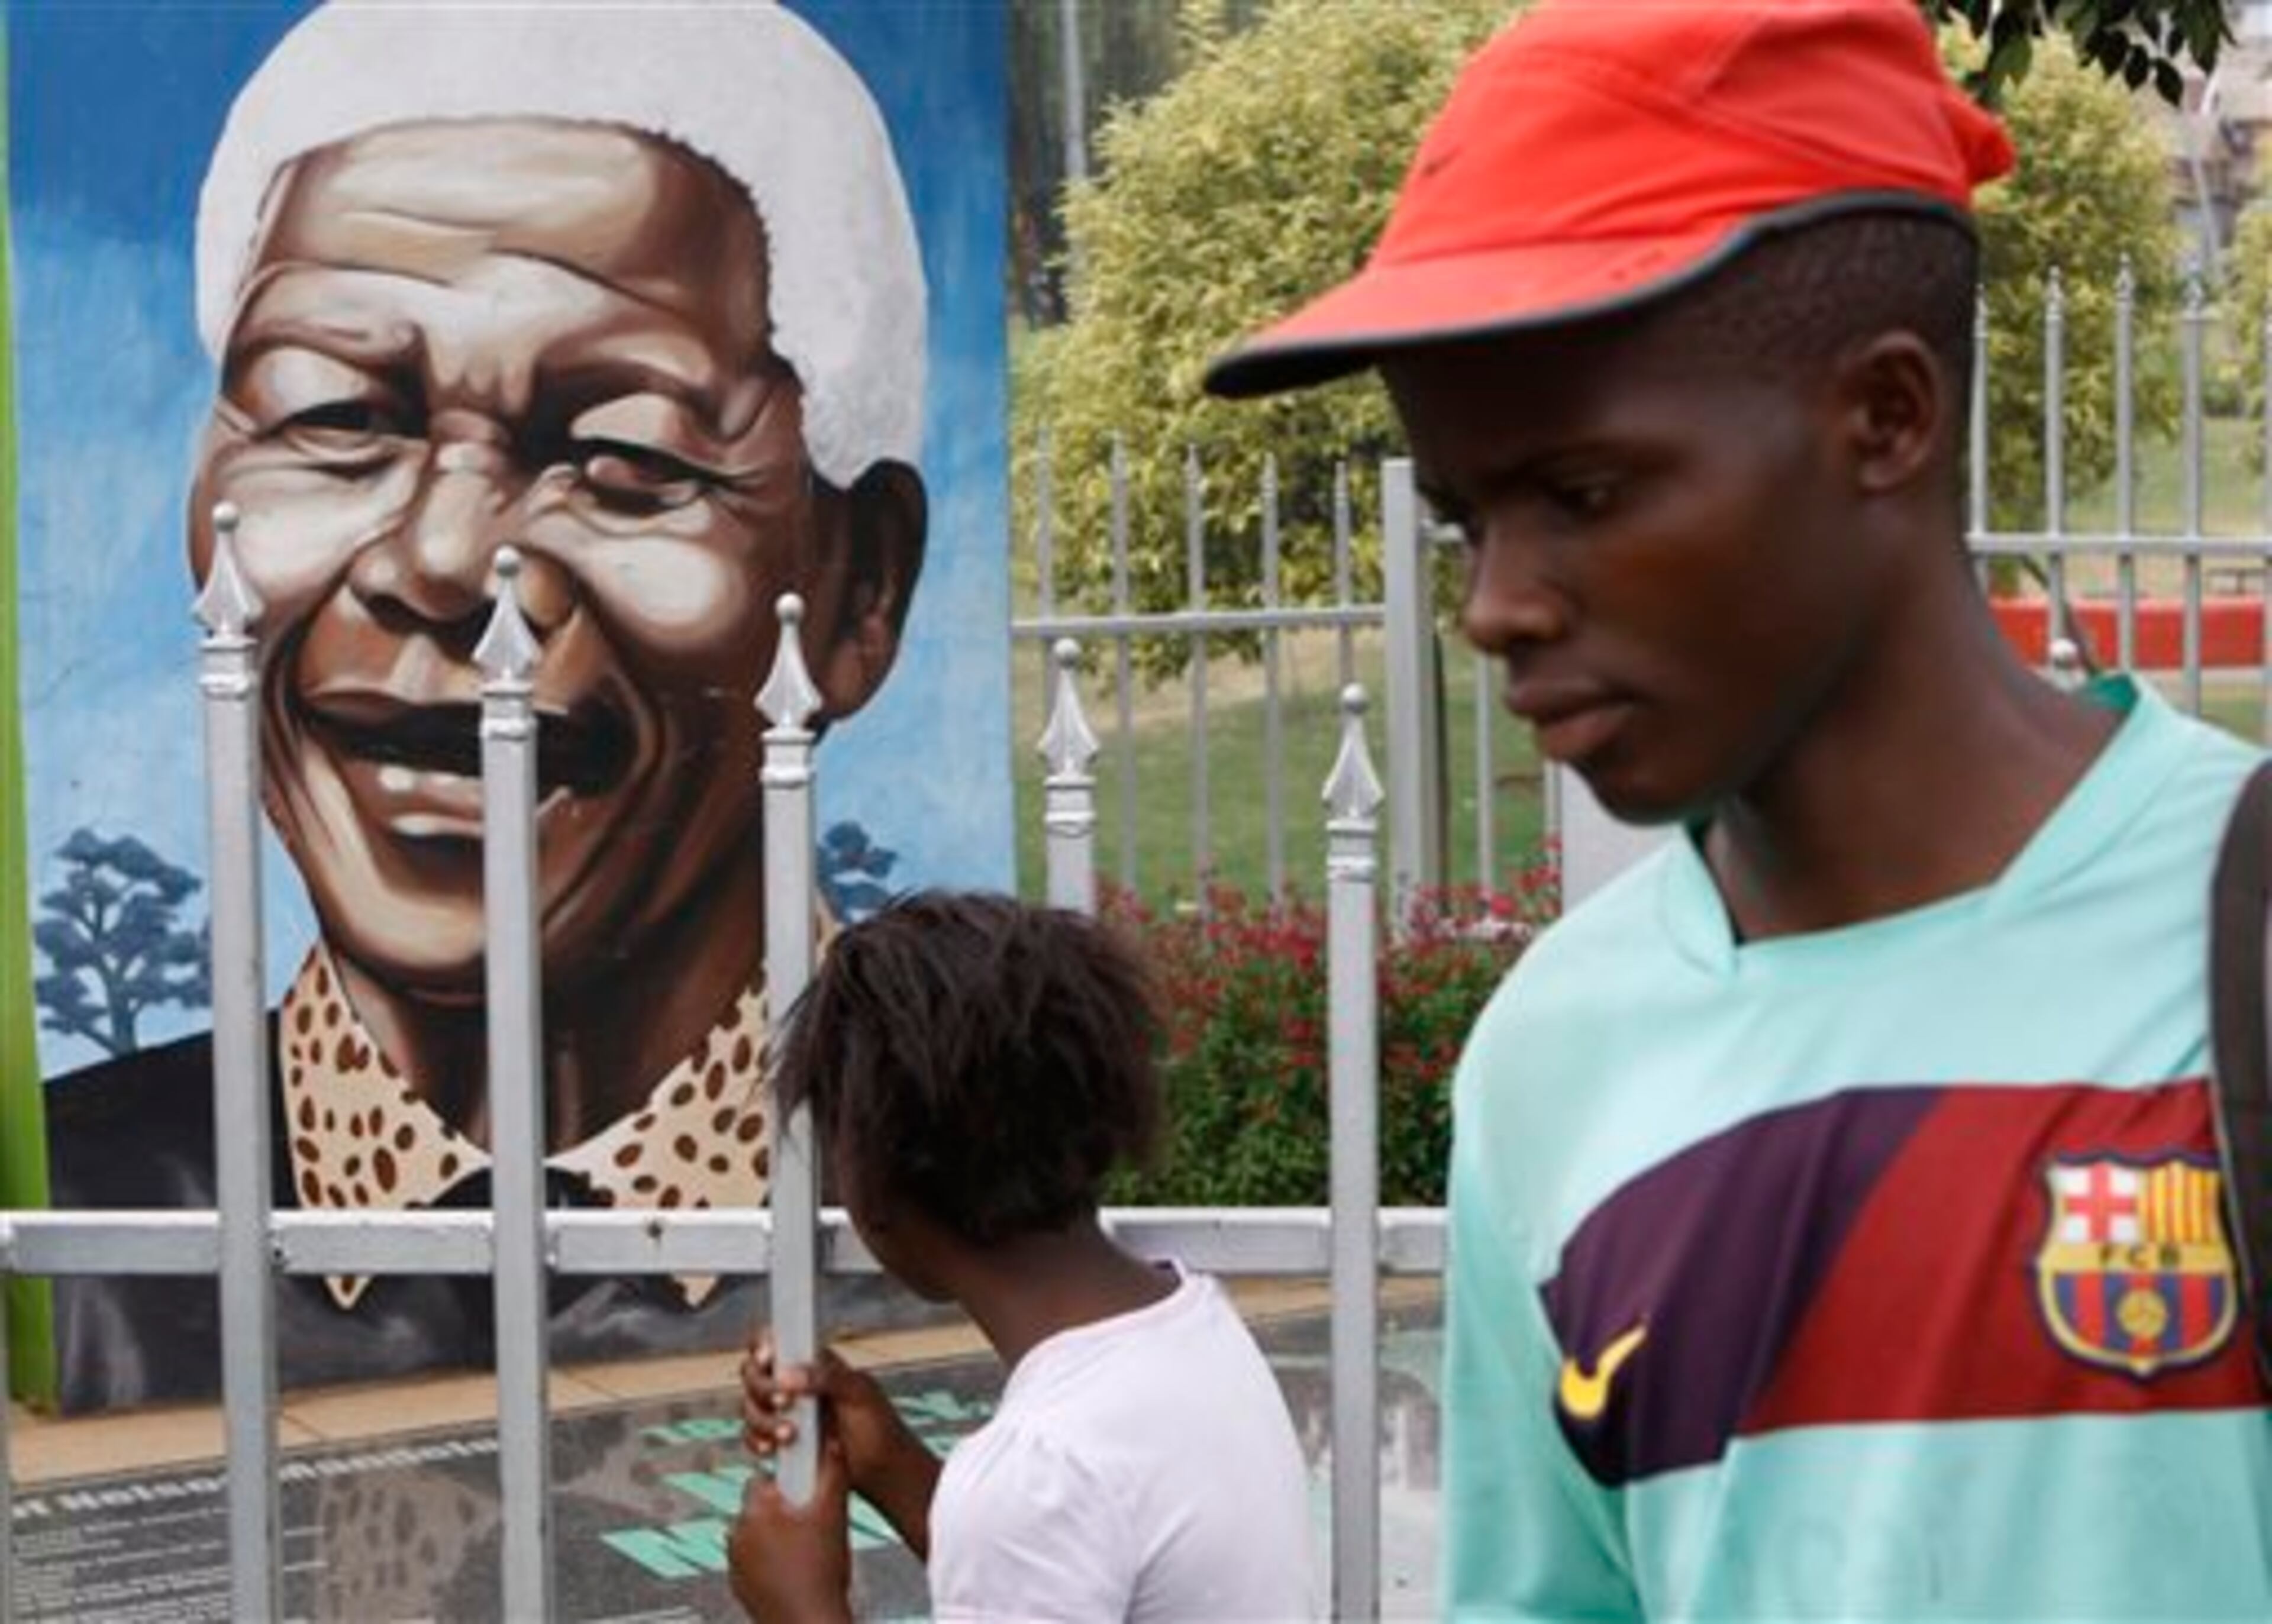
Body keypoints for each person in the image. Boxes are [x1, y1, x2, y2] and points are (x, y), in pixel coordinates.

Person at [1206, 1, 2271, 1617]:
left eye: (1581, 493)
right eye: (1463, 517)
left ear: (1886, 419)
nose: (1493, 605)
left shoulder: (2238, 935)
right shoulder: (1556, 1061)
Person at [40, 0, 927, 1410]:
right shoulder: (70, 1242)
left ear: (860, 588)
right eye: (336, 418)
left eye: (623, 453)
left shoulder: (961, 1208)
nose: (447, 562)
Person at [721, 892, 1316, 1623]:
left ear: (873, 1181)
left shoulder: (1041, 1467)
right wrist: (894, 1466)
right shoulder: (1193, 1328)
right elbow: (1067, 1562)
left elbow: (1044, 1523)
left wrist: (801, 1609)